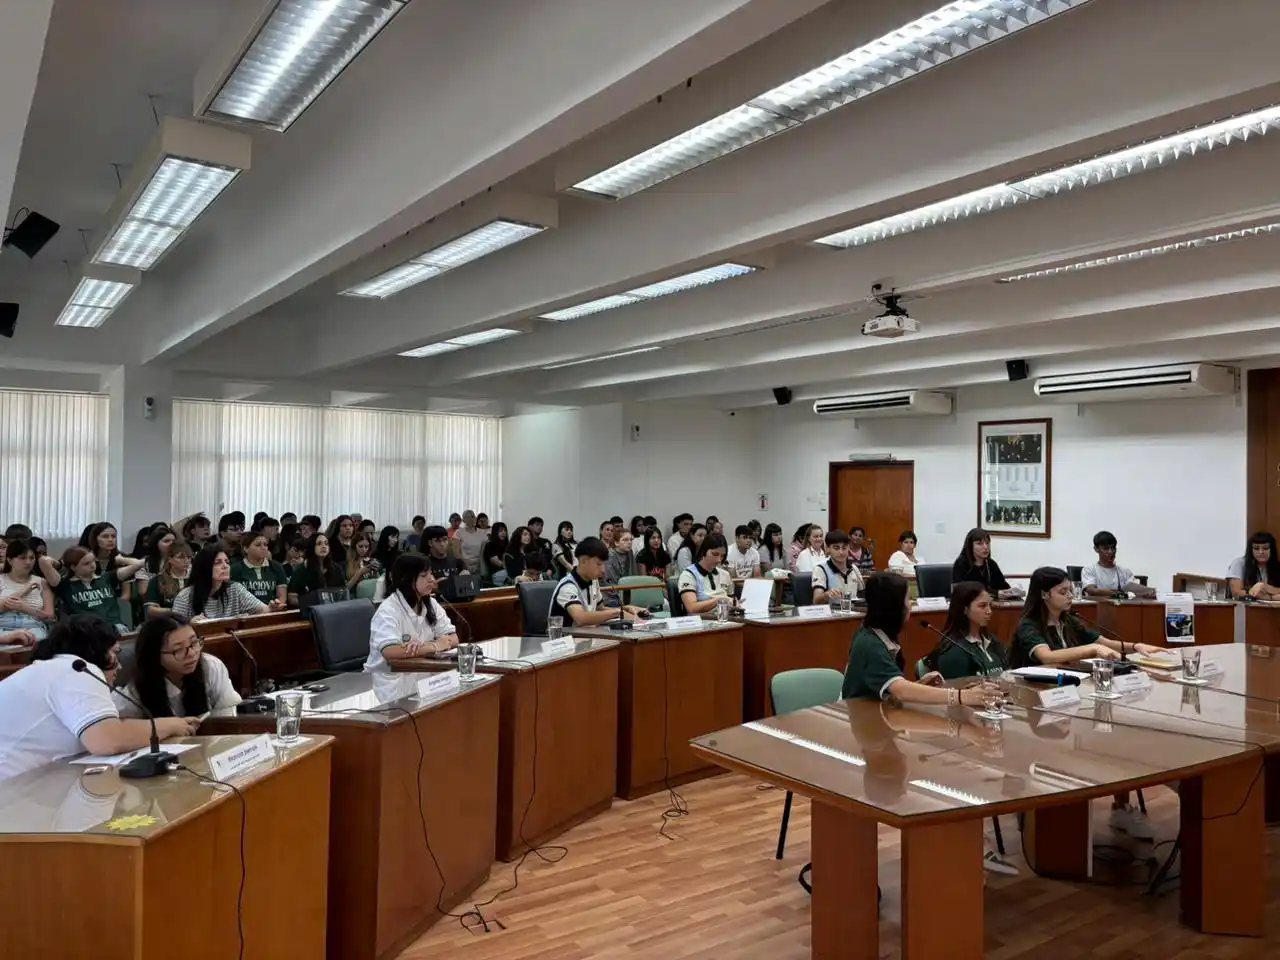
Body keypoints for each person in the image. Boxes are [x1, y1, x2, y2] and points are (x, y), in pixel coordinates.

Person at [1013, 566, 1162, 838]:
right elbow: (1048, 657)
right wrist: (1093, 650)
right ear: (1044, 594)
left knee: (1114, 737)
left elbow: (1105, 642)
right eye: (1063, 591)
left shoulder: (1069, 621)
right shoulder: (1028, 625)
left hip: (1068, 702)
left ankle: (1120, 807)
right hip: (1032, 710)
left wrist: (1137, 646)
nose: (1071, 596)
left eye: (1071, 589)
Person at [0, 615, 201, 780]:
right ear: (96, 651)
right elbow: (108, 740)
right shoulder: (75, 669)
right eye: (115, 653)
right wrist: (172, 725)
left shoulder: (54, 669)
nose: (120, 666)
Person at [842, 572, 999, 705]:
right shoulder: (870, 644)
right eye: (906, 599)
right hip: (861, 719)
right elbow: (901, 691)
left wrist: (918, 686)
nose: (910, 605)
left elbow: (886, 689)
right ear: (893, 607)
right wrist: (961, 697)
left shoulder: (880, 635)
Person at [114, 616, 241, 719]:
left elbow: (227, 719)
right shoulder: (135, 690)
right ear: (154, 655)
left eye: (194, 643)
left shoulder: (211, 666)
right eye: (178, 649)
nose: (191, 653)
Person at [364, 554, 459, 671]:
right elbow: (390, 651)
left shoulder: (431, 603)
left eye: (431, 573)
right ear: (406, 579)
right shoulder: (388, 610)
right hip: (386, 678)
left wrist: (433, 645)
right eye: (424, 575)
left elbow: (454, 638)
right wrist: (434, 646)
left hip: (420, 672)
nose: (431, 579)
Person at [549, 538, 646, 626]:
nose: (603, 570)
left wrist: (625, 609)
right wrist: (617, 613)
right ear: (583, 562)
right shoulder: (568, 586)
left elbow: (601, 609)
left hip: (587, 637)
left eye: (604, 564)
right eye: (599, 564)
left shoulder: (593, 581)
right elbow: (580, 618)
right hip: (567, 640)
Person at [45, 547, 142, 634]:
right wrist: (60, 564)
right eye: (86, 563)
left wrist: (121, 559)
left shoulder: (106, 578)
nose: (93, 566)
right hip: (86, 631)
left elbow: (140, 564)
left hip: (114, 627)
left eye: (93, 561)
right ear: (73, 567)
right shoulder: (66, 585)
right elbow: (43, 561)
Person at [925, 582, 1009, 679]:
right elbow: (957, 690)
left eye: (990, 605)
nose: (989, 611)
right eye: (982, 606)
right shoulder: (954, 652)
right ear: (964, 609)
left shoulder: (992, 641)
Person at [173, 546, 271, 622]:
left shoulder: (235, 589)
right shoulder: (185, 597)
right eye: (218, 563)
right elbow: (172, 631)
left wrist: (272, 608)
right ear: (204, 567)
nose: (225, 566)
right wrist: (189, 624)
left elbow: (263, 610)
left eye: (227, 562)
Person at [0, 539, 54, 645]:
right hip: (3, 624)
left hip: (32, 624)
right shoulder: (1, 579)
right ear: (10, 560)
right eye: (22, 558)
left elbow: (50, 617)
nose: (28, 562)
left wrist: (25, 608)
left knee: (34, 641)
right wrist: (26, 590)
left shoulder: (42, 582)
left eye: (31, 558)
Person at [1082, 531, 1156, 598]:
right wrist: (1116, 593)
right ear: (1096, 549)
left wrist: (1146, 593)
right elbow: (1091, 590)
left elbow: (1134, 591)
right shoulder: (1089, 569)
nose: (1111, 552)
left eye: (1113, 548)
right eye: (1106, 548)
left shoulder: (1125, 571)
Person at [952, 528, 1020, 600]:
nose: (985, 547)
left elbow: (1002, 585)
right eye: (979, 543)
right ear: (970, 546)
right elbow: (963, 591)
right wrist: (995, 593)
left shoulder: (991, 564)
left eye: (987, 543)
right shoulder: (961, 564)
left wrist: (1012, 592)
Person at [678, 533, 736, 615]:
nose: (719, 560)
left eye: (722, 556)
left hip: (725, 619)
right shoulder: (688, 575)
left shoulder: (725, 574)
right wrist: (718, 600)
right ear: (704, 551)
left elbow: (731, 600)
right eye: (715, 554)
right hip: (700, 622)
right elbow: (691, 608)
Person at [287, 533, 348, 607]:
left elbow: (343, 592)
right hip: (312, 611)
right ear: (312, 547)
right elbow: (291, 597)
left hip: (334, 609)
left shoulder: (336, 568)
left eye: (326, 544)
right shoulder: (302, 569)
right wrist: (310, 602)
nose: (324, 546)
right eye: (319, 544)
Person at [231, 531, 290, 606]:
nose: (263, 548)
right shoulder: (235, 569)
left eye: (265, 545)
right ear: (246, 549)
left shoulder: (277, 567)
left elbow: (282, 597)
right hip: (246, 613)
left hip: (272, 613)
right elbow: (234, 599)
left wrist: (276, 606)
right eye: (258, 545)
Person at [812, 529, 864, 603]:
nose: (841, 552)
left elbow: (863, 595)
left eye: (844, 548)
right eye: (836, 548)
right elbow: (816, 601)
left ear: (848, 548)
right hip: (832, 612)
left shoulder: (854, 568)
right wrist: (826, 595)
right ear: (828, 548)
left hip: (854, 612)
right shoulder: (821, 568)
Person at [144, 540, 193, 618]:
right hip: (168, 622)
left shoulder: (194, 579)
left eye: (189, 557)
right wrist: (175, 611)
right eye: (181, 557)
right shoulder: (157, 580)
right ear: (170, 559)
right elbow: (151, 610)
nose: (187, 561)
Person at [1227, 531, 1280, 600]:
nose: (1261, 552)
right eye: (1256, 548)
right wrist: (1255, 592)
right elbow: (1236, 593)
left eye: (1265, 548)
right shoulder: (1239, 563)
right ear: (1250, 550)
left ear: (1272, 550)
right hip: (1244, 607)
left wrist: (1264, 587)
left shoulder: (1277, 566)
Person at [455, 510, 488, 575]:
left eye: (473, 516)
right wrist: (465, 565)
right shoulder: (459, 532)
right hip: (463, 564)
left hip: (479, 564)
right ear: (463, 520)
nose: (471, 519)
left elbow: (483, 553)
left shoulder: (482, 533)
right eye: (468, 517)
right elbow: (457, 552)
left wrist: (477, 565)